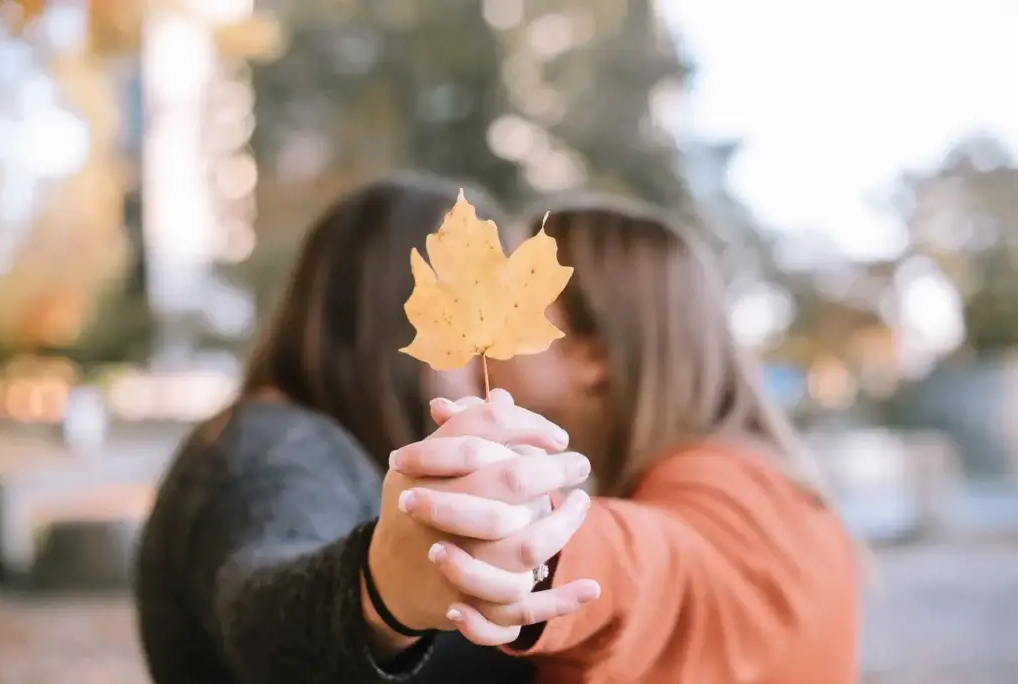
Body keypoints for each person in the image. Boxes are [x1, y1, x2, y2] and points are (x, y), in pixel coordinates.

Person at [134, 173, 600, 684]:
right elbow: (257, 611)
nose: (507, 360)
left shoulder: (315, 439)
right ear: (393, 312)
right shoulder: (270, 449)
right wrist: (379, 593)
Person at [389, 195, 860, 683]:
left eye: (515, 295)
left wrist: (537, 542)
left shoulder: (727, 493)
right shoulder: (776, 487)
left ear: (592, 355)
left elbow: (649, 566)